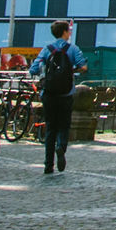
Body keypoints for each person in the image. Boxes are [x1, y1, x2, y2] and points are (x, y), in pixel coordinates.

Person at [31, 20, 87, 175]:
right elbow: (83, 67)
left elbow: (33, 69)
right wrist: (71, 70)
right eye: (68, 31)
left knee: (50, 127)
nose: (70, 33)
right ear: (64, 32)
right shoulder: (73, 49)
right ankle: (61, 147)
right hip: (66, 93)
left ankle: (48, 165)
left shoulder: (47, 50)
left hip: (48, 94)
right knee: (64, 125)